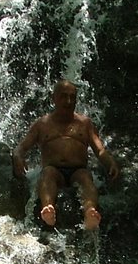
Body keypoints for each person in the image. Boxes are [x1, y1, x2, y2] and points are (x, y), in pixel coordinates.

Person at [11, 79, 120, 230]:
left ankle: (90, 213)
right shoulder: (42, 124)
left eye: (72, 97)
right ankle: (48, 209)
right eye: (63, 96)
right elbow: (21, 147)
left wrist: (110, 163)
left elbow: (99, 150)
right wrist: (17, 156)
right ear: (53, 98)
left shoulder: (85, 123)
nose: (68, 101)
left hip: (78, 170)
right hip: (54, 170)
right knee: (48, 173)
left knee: (85, 177)